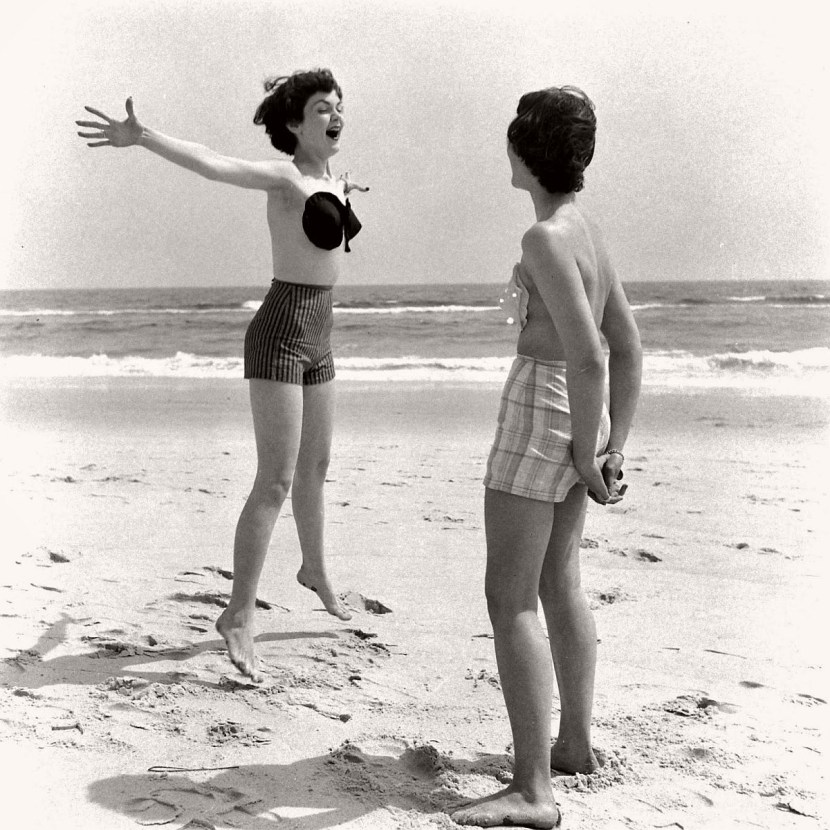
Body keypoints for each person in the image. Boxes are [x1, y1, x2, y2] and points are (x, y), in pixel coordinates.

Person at [76, 68, 368, 683]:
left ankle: (314, 568)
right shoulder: (284, 179)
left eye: (339, 105)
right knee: (275, 481)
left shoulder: (332, 181)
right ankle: (237, 614)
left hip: (321, 331)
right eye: (322, 107)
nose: (336, 114)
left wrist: (342, 190)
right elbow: (213, 163)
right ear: (294, 124)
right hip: (280, 332)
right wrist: (144, 136)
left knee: (316, 467)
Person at [452, 87, 642, 828]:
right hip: (579, 413)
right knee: (560, 581)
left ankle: (533, 789)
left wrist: (588, 456)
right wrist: (611, 444)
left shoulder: (545, 238)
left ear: (525, 152)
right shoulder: (587, 230)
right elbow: (628, 346)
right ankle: (574, 746)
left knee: (510, 598)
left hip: (544, 405)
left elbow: (591, 354)